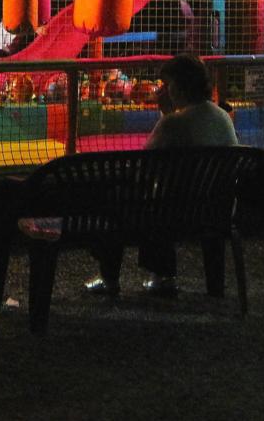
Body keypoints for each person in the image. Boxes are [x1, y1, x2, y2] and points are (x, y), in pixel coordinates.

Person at [83, 51, 239, 297]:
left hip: (175, 213)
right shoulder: (222, 117)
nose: (163, 90)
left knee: (119, 200)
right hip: (217, 209)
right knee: (161, 201)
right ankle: (164, 276)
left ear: (179, 86)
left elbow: (145, 166)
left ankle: (109, 277)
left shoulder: (175, 123)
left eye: (167, 85)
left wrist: (166, 114)